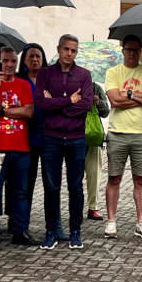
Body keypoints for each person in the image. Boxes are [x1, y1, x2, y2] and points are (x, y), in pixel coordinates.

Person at [36, 34, 93, 250]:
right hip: (51, 138)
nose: (70, 53)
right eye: (67, 49)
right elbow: (41, 103)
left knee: (76, 187)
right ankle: (51, 231)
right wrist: (69, 101)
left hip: (77, 139)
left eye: (74, 50)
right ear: (59, 49)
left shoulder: (84, 75)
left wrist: (56, 104)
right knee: (51, 187)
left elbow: (86, 105)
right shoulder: (45, 74)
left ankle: (75, 232)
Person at [103, 34, 142, 239]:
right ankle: (111, 221)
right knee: (114, 178)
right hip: (117, 132)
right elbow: (115, 101)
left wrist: (128, 94)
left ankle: (141, 222)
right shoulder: (113, 72)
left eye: (136, 50)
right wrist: (140, 97)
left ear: (140, 51)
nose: (133, 53)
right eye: (129, 49)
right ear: (123, 50)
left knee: (140, 179)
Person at [0, 46, 37, 249]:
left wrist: (6, 110)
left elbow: (29, 112)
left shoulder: (24, 85)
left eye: (13, 61)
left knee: (20, 192)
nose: (10, 65)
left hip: (20, 147)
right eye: (6, 61)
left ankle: (19, 230)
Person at [17, 44, 69, 240]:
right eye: (31, 56)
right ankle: (21, 226)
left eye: (38, 56)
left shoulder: (52, 80)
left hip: (50, 138)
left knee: (52, 185)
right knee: (25, 186)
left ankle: (54, 226)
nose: (35, 60)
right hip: (26, 139)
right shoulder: (19, 82)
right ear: (24, 60)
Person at [85, 81, 109, 220]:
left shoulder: (95, 88)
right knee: (74, 177)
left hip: (93, 136)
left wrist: (98, 102)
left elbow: (106, 112)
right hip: (74, 135)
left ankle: (92, 207)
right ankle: (75, 206)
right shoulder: (69, 86)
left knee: (94, 174)